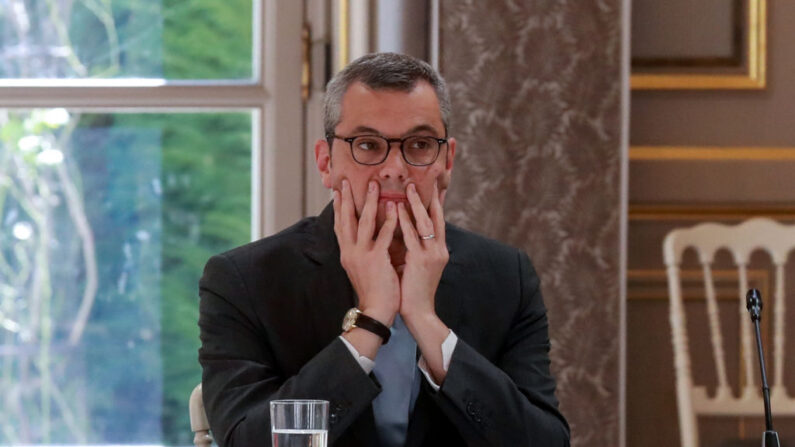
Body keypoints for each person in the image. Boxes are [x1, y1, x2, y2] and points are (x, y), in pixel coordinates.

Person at [198, 52, 569, 447]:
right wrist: (371, 321)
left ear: (447, 161)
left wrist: (427, 322)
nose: (395, 168)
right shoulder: (243, 281)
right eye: (369, 145)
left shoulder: (506, 276)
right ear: (326, 163)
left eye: (420, 144)